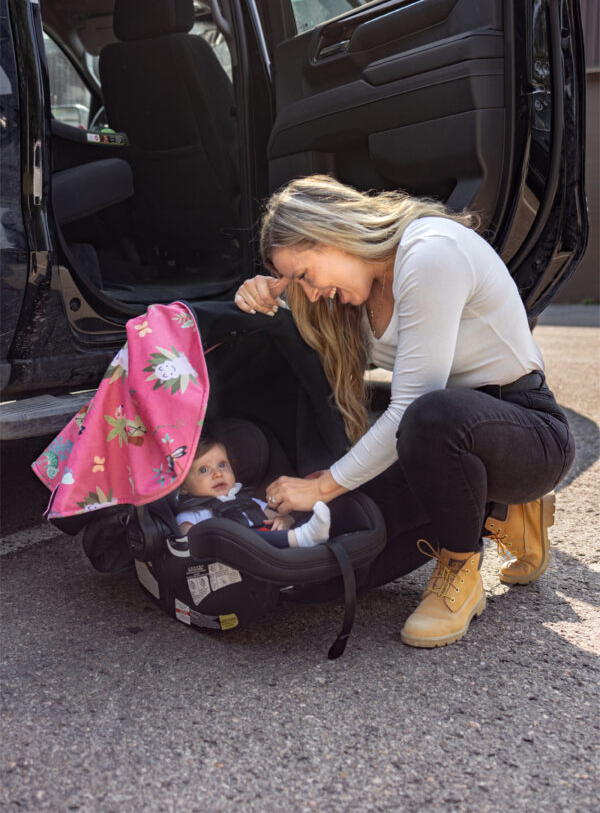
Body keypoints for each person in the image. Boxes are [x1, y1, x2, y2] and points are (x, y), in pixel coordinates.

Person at [234, 174, 575, 648]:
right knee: (339, 564)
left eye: (305, 276)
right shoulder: (360, 287)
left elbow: (413, 406)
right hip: (444, 444)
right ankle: (500, 512)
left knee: (428, 418)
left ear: (332, 234)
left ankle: (461, 567)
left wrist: (321, 485)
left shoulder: (429, 252)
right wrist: (267, 295)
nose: (310, 293)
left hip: (527, 431)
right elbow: (310, 340)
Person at [175, 434, 331, 549]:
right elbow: (188, 537)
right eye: (203, 470)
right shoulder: (191, 514)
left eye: (222, 465)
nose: (218, 474)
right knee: (242, 538)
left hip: (265, 551)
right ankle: (304, 537)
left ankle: (303, 536)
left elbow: (280, 516)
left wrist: (284, 520)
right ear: (183, 487)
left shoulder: (248, 502)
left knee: (263, 536)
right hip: (229, 553)